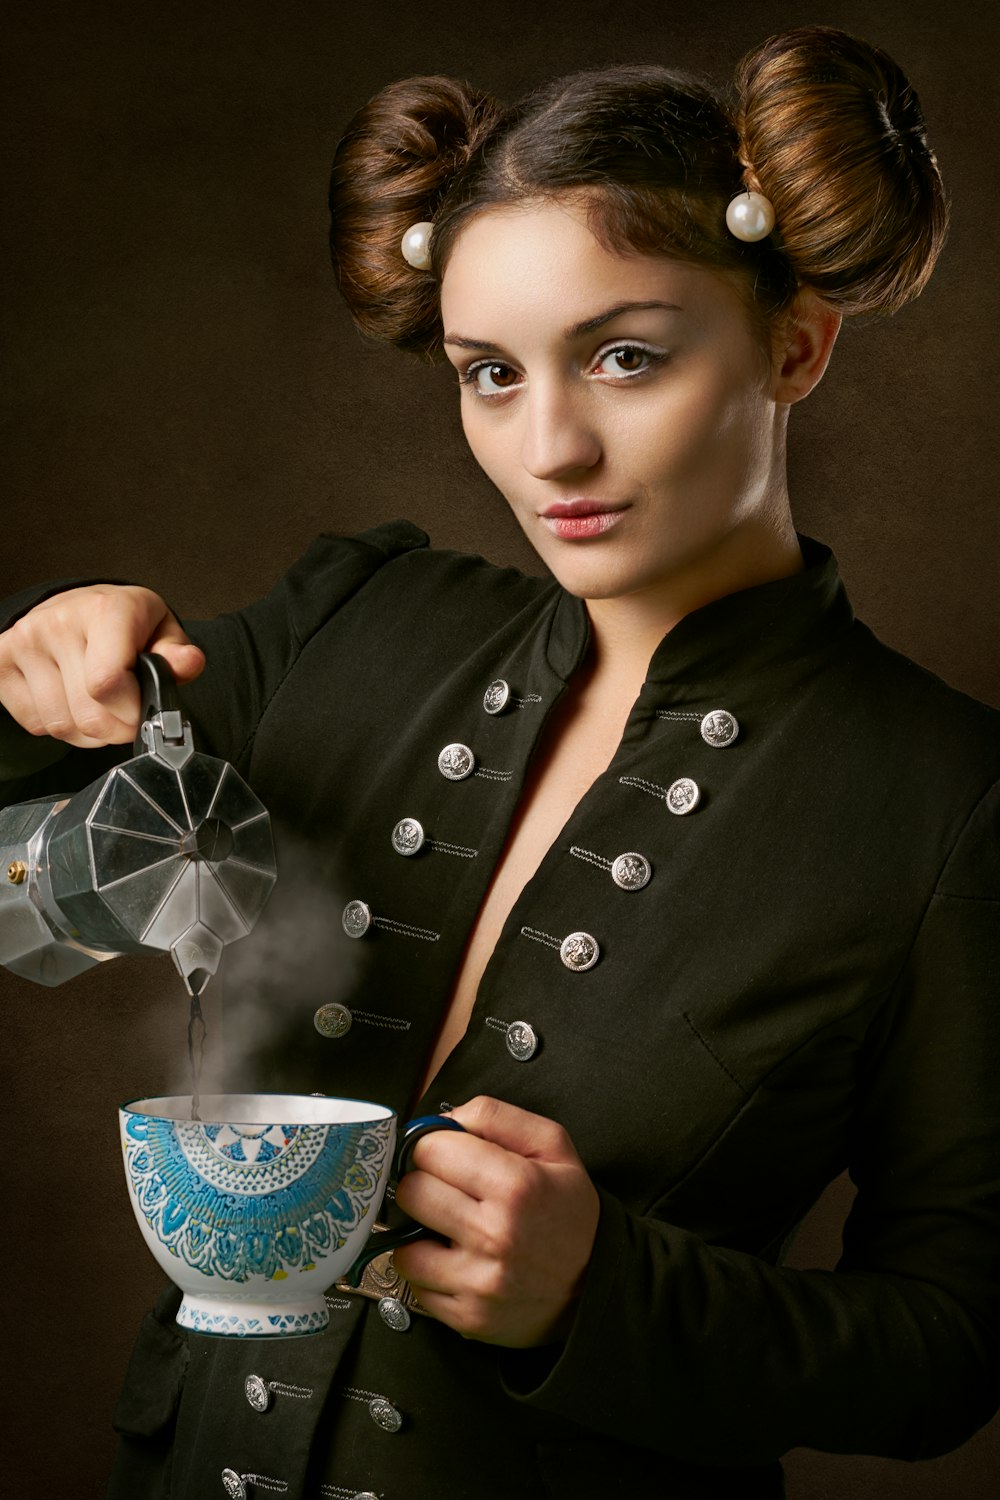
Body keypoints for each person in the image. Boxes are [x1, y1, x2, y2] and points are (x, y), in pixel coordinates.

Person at [1, 22, 998, 1500]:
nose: (551, 450)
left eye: (625, 357)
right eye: (487, 374)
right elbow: (26, 901)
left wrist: (602, 1297)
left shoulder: (943, 804)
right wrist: (32, 677)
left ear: (796, 343)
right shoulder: (350, 620)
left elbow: (955, 1348)